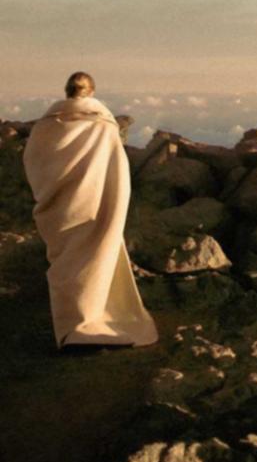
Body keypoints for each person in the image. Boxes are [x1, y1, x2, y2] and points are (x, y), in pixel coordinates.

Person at [22, 72, 158, 351]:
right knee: (90, 263)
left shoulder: (44, 127)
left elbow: (33, 162)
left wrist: (50, 192)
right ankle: (87, 324)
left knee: (64, 262)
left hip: (57, 208)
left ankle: (69, 328)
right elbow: (115, 170)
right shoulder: (103, 125)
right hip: (93, 206)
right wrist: (112, 204)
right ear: (92, 93)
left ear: (67, 91)